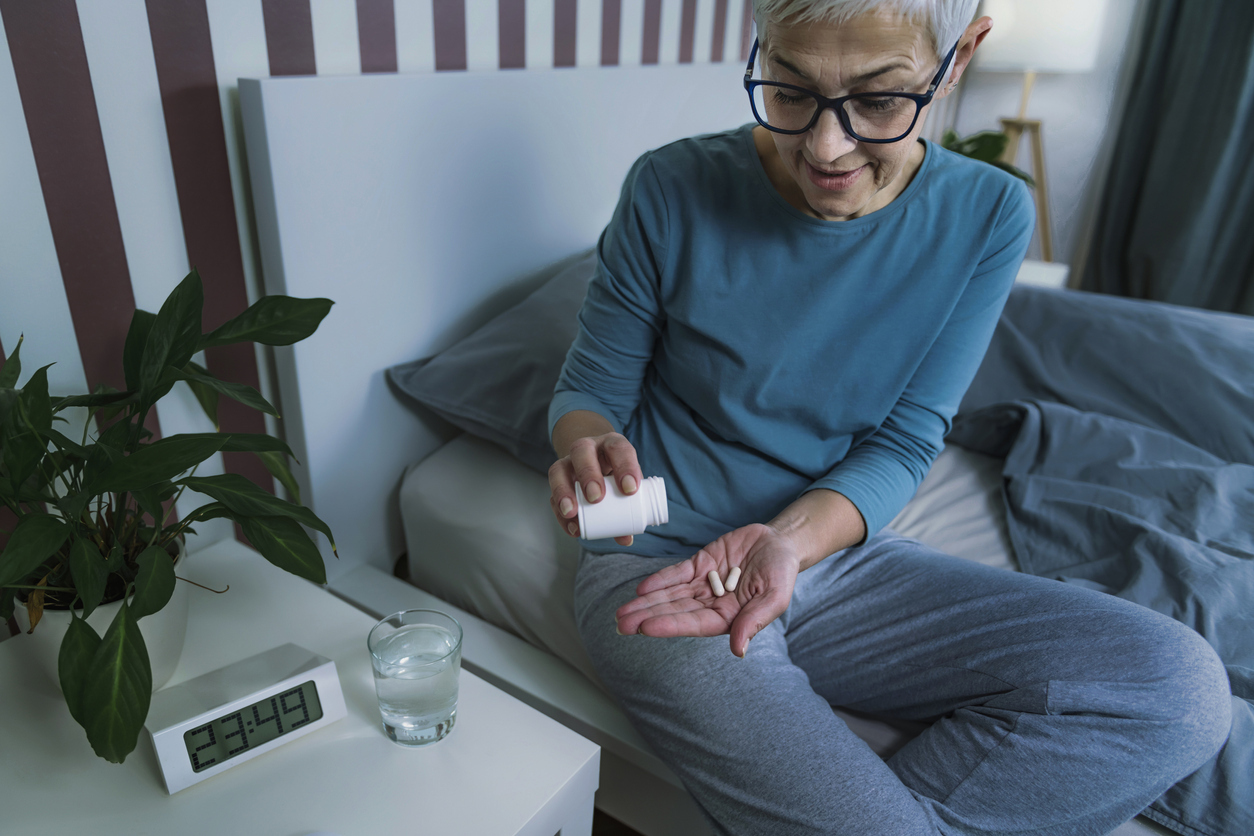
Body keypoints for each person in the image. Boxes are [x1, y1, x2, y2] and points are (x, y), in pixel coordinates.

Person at [546, 1, 1232, 833]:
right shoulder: (671, 186)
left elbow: (908, 436)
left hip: (827, 556)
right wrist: (585, 446)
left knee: (1182, 689)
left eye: (877, 101)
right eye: (790, 89)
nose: (824, 149)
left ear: (963, 55)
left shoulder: (988, 212)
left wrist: (789, 544)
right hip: (661, 570)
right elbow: (591, 390)